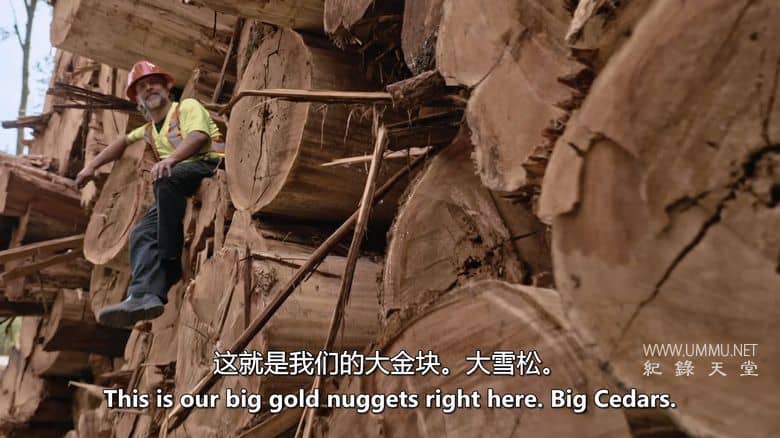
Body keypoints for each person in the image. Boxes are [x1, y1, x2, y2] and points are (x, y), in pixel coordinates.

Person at [75, 61, 225, 327]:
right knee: (141, 232)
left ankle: (170, 261)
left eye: (153, 83)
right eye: (141, 87)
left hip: (209, 163)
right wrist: (91, 167)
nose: (148, 89)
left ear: (167, 88)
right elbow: (121, 142)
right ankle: (143, 295)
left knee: (164, 177)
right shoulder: (147, 131)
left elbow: (199, 136)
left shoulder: (186, 107)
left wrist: (171, 160)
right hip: (179, 178)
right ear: (138, 100)